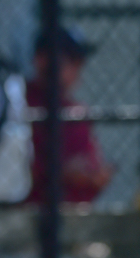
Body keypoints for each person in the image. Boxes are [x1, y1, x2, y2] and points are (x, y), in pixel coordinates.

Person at [25, 24, 114, 205]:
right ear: (41, 60)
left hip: (74, 212)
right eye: (71, 59)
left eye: (80, 60)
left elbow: (92, 168)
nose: (78, 67)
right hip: (30, 210)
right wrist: (62, 171)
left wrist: (95, 177)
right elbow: (13, 174)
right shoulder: (20, 104)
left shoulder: (76, 112)